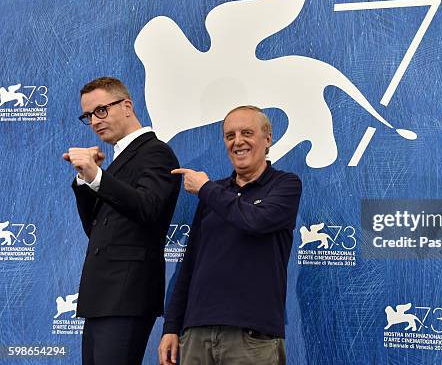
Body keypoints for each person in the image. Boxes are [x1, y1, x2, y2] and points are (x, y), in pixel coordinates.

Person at [159, 105, 302, 365]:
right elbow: (189, 264)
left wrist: (205, 188)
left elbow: (256, 221)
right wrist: (171, 326)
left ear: (268, 138)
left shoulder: (285, 184)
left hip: (252, 336)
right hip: (196, 332)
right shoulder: (212, 193)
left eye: (246, 132)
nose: (238, 141)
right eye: (230, 135)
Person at [63, 77, 181, 365]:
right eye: (88, 115)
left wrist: (97, 176)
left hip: (126, 294)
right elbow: (97, 228)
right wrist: (85, 180)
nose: (94, 121)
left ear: (127, 106)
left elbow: (147, 208)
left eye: (101, 110)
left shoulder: (156, 152)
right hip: (102, 295)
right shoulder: (119, 159)